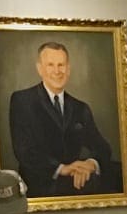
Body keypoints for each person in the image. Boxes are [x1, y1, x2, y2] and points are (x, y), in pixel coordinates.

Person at [9, 41, 113, 198]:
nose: (57, 71)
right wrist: (62, 169)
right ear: (40, 69)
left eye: (61, 65)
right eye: (50, 65)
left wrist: (90, 164)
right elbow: (24, 151)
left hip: (75, 188)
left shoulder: (80, 108)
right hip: (37, 190)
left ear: (68, 69)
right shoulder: (22, 101)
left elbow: (103, 148)